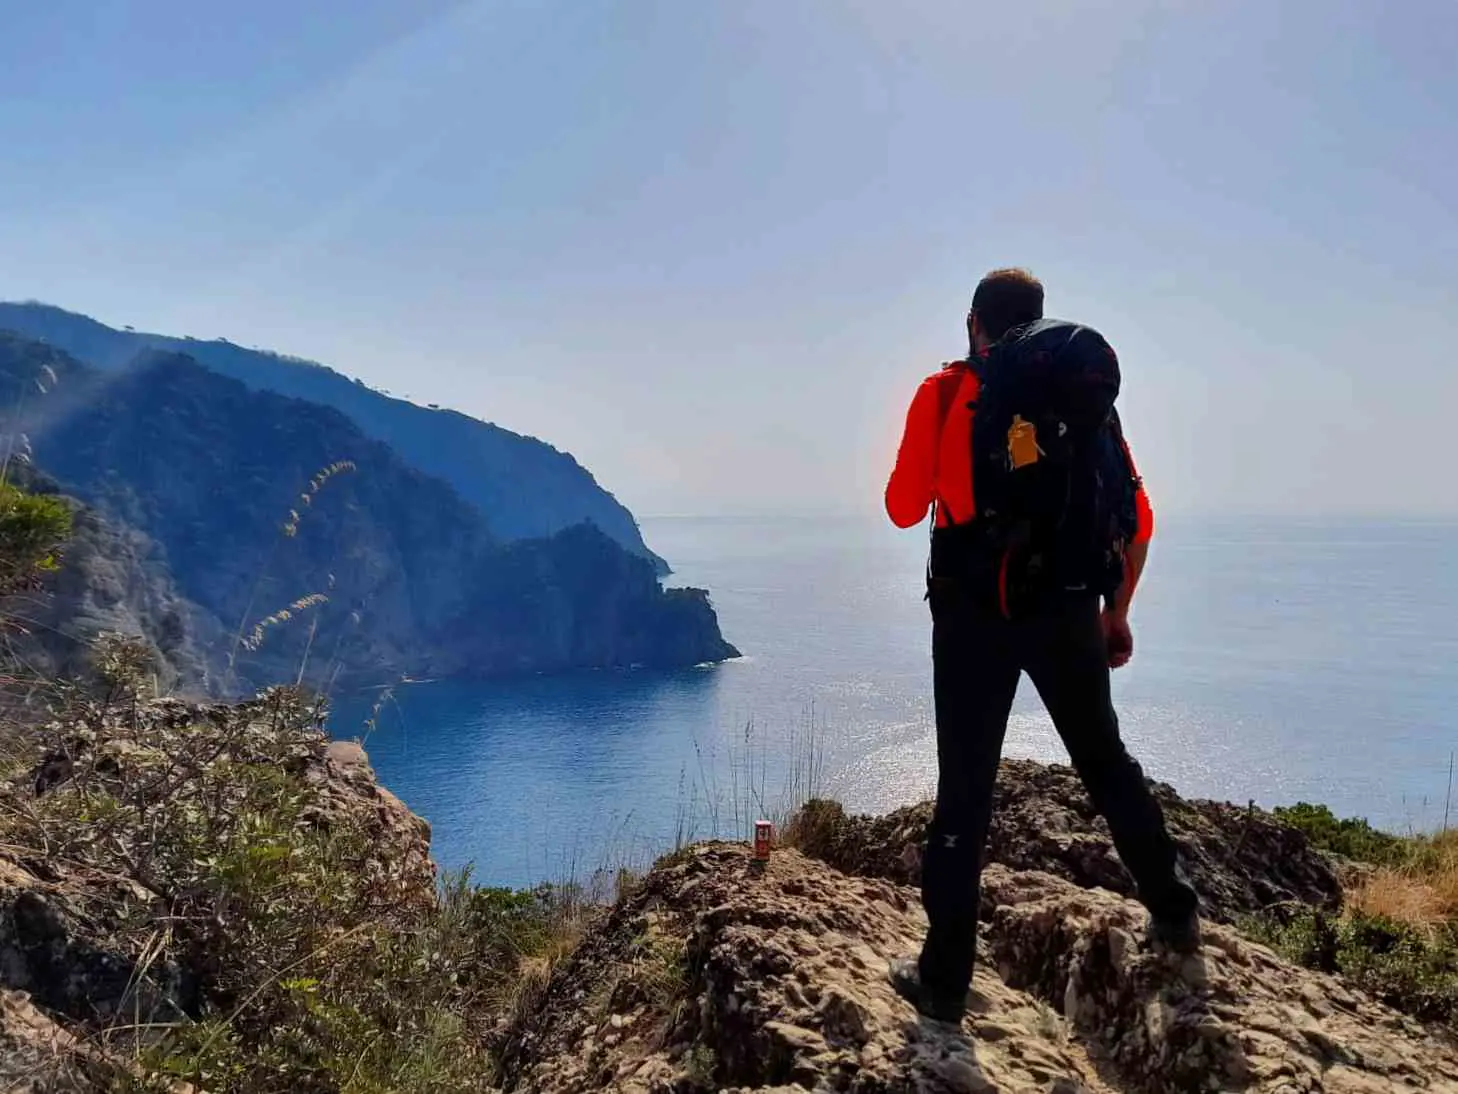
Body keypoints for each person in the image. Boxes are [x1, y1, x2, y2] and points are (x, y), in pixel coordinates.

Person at [883, 267, 1200, 1025]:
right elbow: (1136, 520)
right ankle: (1175, 909)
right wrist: (1116, 613)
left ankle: (944, 980)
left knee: (965, 790)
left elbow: (902, 508)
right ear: (1039, 322)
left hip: (973, 616)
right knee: (1105, 761)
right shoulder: (1081, 403)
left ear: (975, 323)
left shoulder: (945, 392)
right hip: (1067, 609)